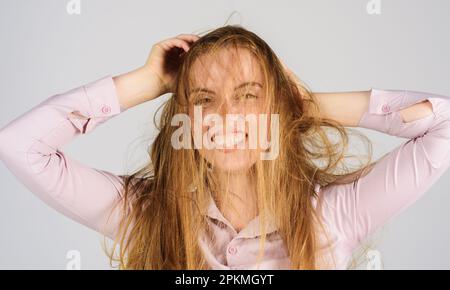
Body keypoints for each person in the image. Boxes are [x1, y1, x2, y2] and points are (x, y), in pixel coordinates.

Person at [1, 25, 450, 270]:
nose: (227, 117)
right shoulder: (146, 215)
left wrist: (306, 105)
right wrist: (146, 83)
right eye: (204, 99)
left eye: (249, 95)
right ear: (187, 120)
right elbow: (19, 146)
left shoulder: (332, 216)